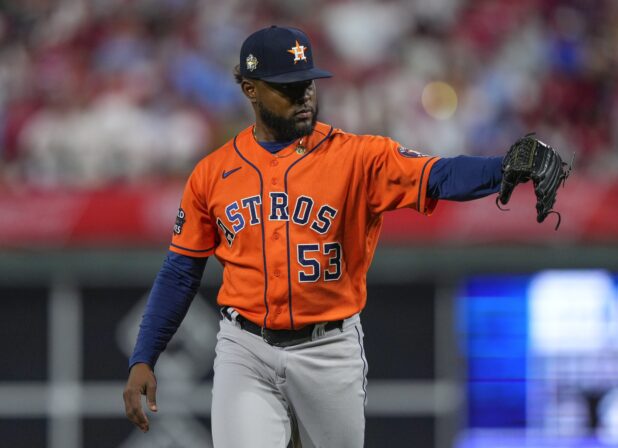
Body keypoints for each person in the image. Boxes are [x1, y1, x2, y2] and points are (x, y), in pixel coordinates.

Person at [123, 25, 506, 447]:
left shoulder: (357, 156)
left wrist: (505, 169)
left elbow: (441, 175)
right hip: (245, 347)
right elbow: (180, 272)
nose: (303, 95)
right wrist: (144, 356)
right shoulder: (212, 173)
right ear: (250, 89)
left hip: (329, 350)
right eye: (287, 87)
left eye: (307, 83)